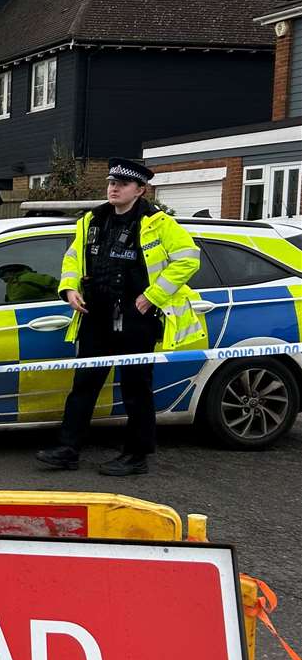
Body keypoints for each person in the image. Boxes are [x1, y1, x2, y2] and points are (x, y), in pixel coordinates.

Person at [36, 158, 207, 476]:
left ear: (140, 190)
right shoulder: (92, 219)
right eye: (111, 182)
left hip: (136, 317)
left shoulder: (158, 223)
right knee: (83, 385)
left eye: (122, 184)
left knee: (135, 389)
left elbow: (188, 259)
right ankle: (67, 449)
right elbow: (73, 256)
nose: (113, 187)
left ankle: (136, 456)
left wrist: (152, 296)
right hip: (96, 315)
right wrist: (69, 288)